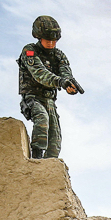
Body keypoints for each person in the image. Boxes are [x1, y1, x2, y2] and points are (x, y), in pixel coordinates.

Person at [18, 15, 84, 159]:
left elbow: (66, 73)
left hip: (49, 100)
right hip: (33, 97)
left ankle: (47, 170)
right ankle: (36, 159)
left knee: (55, 140)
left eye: (54, 40)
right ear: (38, 36)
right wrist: (61, 82)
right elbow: (40, 73)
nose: (51, 43)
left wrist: (69, 85)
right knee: (41, 120)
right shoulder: (29, 51)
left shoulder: (59, 55)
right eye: (48, 40)